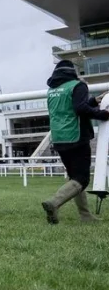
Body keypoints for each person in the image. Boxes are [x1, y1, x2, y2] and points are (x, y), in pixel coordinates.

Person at [42, 60, 109, 224]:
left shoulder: (53, 90)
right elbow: (80, 109)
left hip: (59, 138)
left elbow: (70, 107)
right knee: (82, 179)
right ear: (72, 72)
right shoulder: (77, 85)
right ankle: (54, 202)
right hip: (76, 137)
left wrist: (93, 101)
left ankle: (85, 215)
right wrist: (104, 114)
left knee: (74, 177)